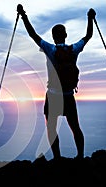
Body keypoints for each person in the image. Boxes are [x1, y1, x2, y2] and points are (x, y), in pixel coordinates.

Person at [17, 4, 96, 160]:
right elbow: (88, 36)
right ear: (65, 35)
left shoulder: (50, 49)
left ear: (53, 37)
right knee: (75, 128)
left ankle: (57, 159)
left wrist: (23, 15)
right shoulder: (74, 49)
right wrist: (90, 18)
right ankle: (80, 157)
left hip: (53, 96)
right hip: (68, 96)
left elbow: (33, 34)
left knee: (51, 128)